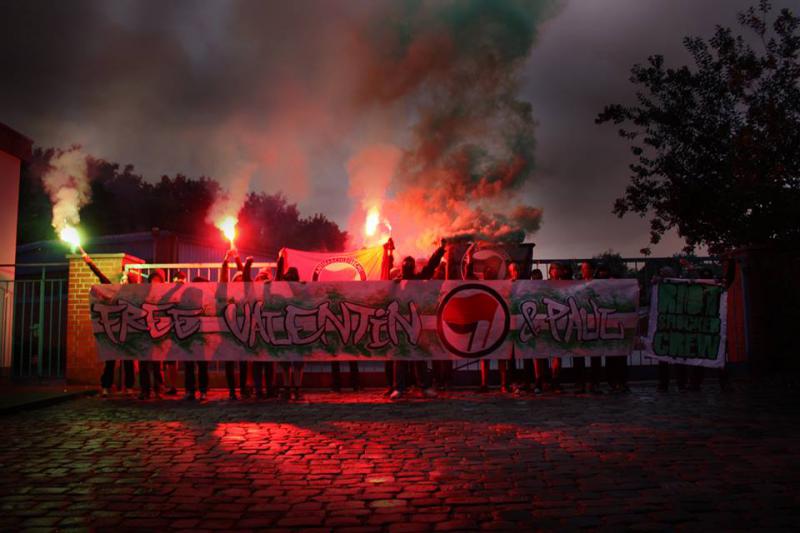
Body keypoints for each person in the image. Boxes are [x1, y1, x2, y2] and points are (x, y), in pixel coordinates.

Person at [390, 240, 446, 400]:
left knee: (419, 356)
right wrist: (392, 284)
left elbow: (430, 267)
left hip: (417, 324)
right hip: (401, 324)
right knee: (401, 356)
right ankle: (399, 388)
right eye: (405, 265)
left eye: (410, 265)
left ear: (413, 267)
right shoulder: (396, 283)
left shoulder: (418, 279)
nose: (407, 267)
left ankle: (424, 387)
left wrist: (440, 250)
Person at [85, 253, 136, 397]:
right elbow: (101, 277)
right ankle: (106, 386)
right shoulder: (113, 292)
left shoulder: (135, 295)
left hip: (128, 330)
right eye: (122, 279)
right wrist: (89, 263)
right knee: (110, 360)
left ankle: (129, 387)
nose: (123, 281)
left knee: (128, 361)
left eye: (125, 279)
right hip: (113, 330)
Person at [221, 250, 250, 400]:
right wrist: (226, 260)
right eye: (236, 279)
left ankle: (243, 388)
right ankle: (232, 390)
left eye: (241, 279)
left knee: (243, 362)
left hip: (243, 330)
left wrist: (238, 258)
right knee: (229, 362)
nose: (239, 281)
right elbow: (223, 279)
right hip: (229, 331)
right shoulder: (227, 292)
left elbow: (244, 275)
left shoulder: (246, 293)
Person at [573, 261, 603, 394]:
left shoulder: (598, 284)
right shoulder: (576, 284)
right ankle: (580, 382)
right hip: (580, 321)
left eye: (586, 268)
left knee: (595, 353)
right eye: (582, 268)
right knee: (578, 353)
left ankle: (595, 382)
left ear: (592, 270)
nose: (584, 271)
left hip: (594, 320)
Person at [533, 263, 564, 393]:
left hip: (558, 319)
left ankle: (555, 380)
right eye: (553, 269)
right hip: (543, 319)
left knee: (557, 351)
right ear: (550, 271)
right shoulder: (544, 284)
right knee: (539, 351)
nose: (555, 271)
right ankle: (539, 379)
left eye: (558, 268)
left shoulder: (565, 284)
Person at [277, 267, 305, 400]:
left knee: (288, 361)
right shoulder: (300, 289)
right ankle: (295, 388)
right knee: (294, 361)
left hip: (289, 327)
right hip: (295, 328)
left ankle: (289, 387)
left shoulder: (290, 289)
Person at [138, 269, 166, 399]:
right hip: (144, 331)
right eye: (153, 281)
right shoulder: (143, 295)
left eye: (158, 281)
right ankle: (145, 390)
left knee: (157, 363)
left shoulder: (164, 296)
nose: (155, 284)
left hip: (158, 332)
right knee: (143, 363)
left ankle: (158, 388)